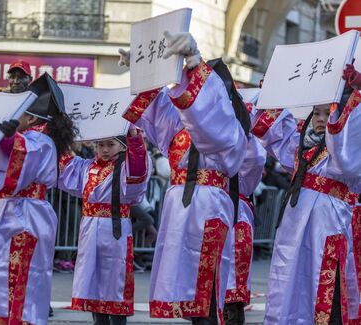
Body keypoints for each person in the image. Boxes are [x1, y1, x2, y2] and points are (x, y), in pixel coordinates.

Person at [118, 32, 247, 323]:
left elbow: (210, 118)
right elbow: (160, 111)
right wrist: (142, 72)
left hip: (207, 206)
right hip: (180, 205)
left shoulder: (229, 131)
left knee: (206, 287)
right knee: (183, 287)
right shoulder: (181, 130)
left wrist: (195, 62)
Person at [0, 73, 77, 324]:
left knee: (23, 277)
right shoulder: (21, 138)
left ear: (31, 117)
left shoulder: (41, 142)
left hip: (28, 216)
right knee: (2, 275)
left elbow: (21, 154)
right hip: (9, 211)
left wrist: (8, 139)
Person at [250, 63, 361, 323]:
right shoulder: (303, 146)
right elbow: (275, 135)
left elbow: (346, 155)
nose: (323, 119)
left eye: (329, 113)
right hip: (295, 224)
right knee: (289, 284)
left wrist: (355, 92)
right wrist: (272, 94)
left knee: (325, 287)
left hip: (328, 224)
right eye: (318, 113)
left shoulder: (344, 149)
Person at [58, 124, 151, 325]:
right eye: (101, 145)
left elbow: (138, 168)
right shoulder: (87, 167)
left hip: (114, 230)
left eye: (111, 145)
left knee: (115, 281)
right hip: (90, 230)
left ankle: (118, 321)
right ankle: (98, 320)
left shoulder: (125, 167)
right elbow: (66, 165)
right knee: (93, 280)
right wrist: (58, 133)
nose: (105, 149)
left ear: (123, 147)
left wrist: (135, 140)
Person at [222, 134, 266, 324]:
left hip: (234, 219)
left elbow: (256, 158)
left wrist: (243, 130)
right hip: (207, 214)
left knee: (231, 294)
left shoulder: (242, 173)